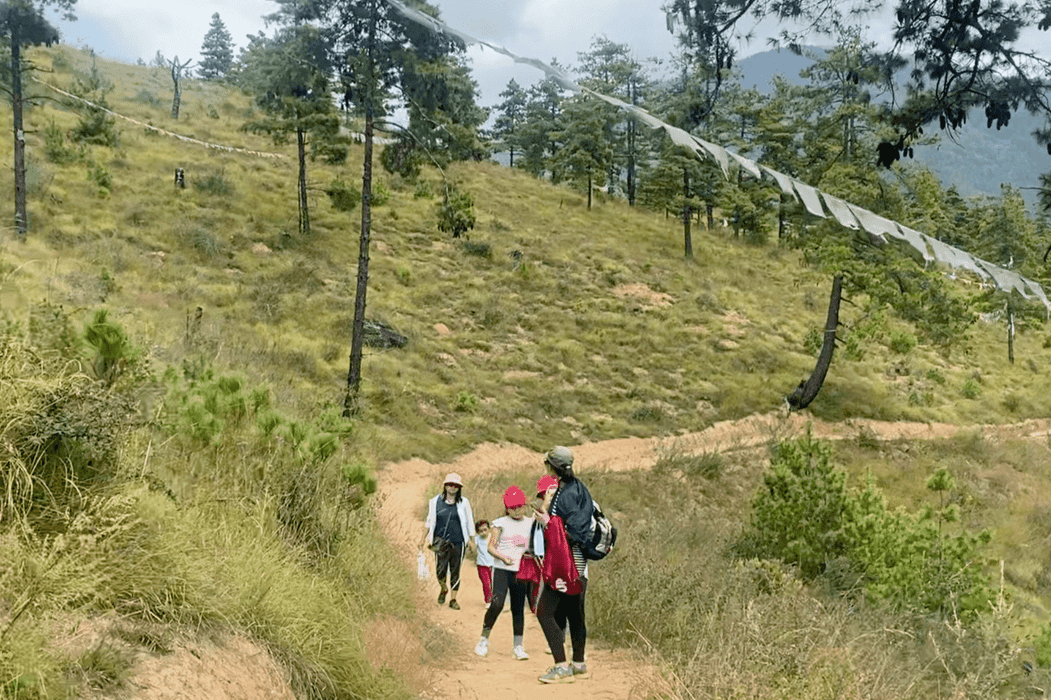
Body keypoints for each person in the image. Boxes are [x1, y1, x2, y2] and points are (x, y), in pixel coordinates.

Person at [535, 446, 593, 684]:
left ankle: (561, 666)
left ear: (553, 467)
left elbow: (569, 532)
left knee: (545, 612)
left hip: (565, 564)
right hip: (580, 564)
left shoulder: (565, 493)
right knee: (575, 613)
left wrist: (546, 519)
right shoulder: (580, 489)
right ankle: (578, 664)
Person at [474, 485, 534, 660]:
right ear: (507, 508)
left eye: (520, 506)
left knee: (518, 608)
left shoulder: (530, 522)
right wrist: (503, 557)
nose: (517, 511)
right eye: (513, 507)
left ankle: (518, 646)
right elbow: (490, 547)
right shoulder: (499, 523)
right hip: (502, 568)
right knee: (497, 603)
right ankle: (483, 640)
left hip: (521, 570)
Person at [420, 473, 475, 610]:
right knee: (440, 570)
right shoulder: (434, 502)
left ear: (459, 488)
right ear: (445, 486)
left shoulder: (464, 503)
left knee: (455, 570)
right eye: (450, 484)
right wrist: (422, 539)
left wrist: (472, 540)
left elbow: (469, 521)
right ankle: (443, 588)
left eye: (456, 485)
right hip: (440, 541)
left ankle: (453, 599)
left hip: (458, 541)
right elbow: (429, 521)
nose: (452, 488)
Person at [474, 519, 494, 606]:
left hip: (493, 565)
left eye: (485, 530)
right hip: (482, 565)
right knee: (486, 584)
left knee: (494, 584)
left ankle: (495, 600)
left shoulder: (493, 537)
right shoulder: (477, 539)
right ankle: (488, 601)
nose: (483, 533)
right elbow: (472, 547)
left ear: (489, 529)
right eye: (480, 531)